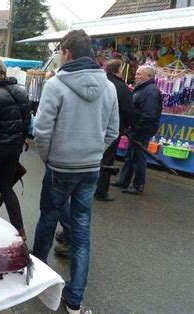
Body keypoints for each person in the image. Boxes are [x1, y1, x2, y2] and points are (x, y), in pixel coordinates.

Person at [32, 30, 119, 313]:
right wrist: (93, 152)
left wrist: (49, 158)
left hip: (60, 166)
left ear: (67, 53)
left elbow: (42, 131)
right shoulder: (108, 87)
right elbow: (113, 132)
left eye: (60, 51)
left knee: (48, 219)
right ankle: (75, 299)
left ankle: (37, 279)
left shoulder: (56, 85)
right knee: (81, 230)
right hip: (90, 168)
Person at [0, 58, 30, 237]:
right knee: (7, 188)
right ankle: (20, 229)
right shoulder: (21, 91)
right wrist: (22, 139)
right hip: (14, 149)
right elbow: (26, 122)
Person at [112, 65, 162, 195]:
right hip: (136, 128)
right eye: (137, 74)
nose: (136, 76)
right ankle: (124, 181)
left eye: (140, 74)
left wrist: (137, 127)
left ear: (148, 77)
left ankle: (138, 185)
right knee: (129, 155)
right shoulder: (141, 89)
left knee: (138, 157)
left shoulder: (151, 91)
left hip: (143, 129)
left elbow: (149, 115)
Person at [95, 59, 135, 201]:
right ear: (119, 70)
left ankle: (91, 186)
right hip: (113, 127)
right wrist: (131, 125)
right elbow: (128, 110)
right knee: (107, 159)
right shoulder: (121, 87)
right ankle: (101, 191)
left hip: (97, 125)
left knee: (95, 156)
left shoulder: (101, 83)